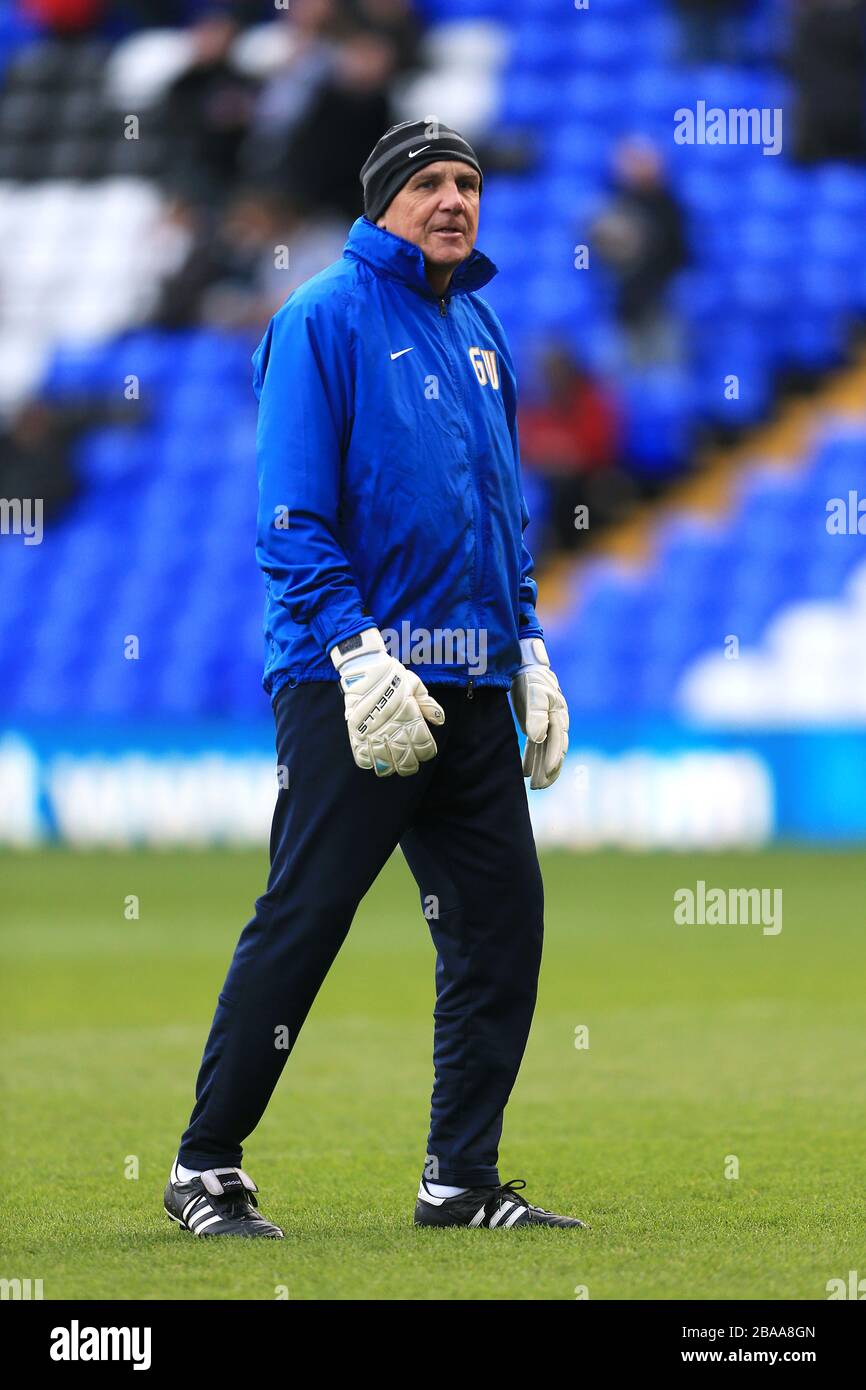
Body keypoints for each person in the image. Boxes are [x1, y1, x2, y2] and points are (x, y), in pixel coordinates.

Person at [164, 119, 584, 1237]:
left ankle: (460, 1180)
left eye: (468, 183)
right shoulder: (321, 319)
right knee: (306, 916)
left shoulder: (479, 326)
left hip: (473, 680)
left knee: (502, 926)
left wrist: (527, 641)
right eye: (429, 183)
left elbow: (500, 513)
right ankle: (205, 1164)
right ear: (382, 199)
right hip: (349, 679)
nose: (453, 199)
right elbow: (290, 520)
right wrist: (355, 654)